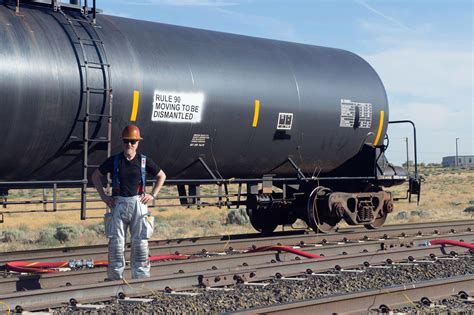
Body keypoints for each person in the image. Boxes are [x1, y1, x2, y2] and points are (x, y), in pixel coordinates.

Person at [92, 124, 166, 280]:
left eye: (133, 141)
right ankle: (114, 279)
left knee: (140, 245)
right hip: (118, 204)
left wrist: (153, 194)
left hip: (139, 204)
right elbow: (95, 176)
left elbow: (162, 176)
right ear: (122, 141)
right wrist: (103, 197)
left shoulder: (144, 161)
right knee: (116, 246)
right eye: (127, 141)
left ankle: (140, 279)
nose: (129, 145)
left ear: (138, 143)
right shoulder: (114, 161)